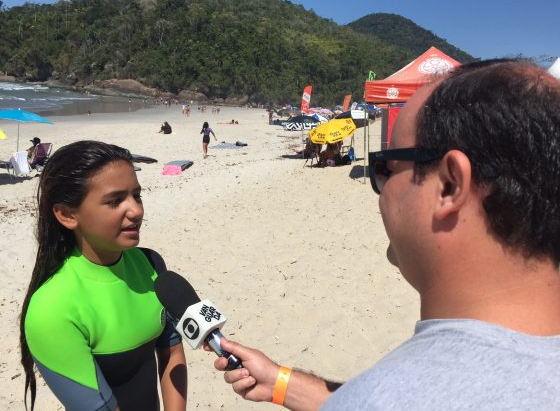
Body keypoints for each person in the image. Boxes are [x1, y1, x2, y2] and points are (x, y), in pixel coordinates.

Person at [211, 60, 560, 409]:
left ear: (450, 185)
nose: (381, 188)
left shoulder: (388, 396)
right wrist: (282, 383)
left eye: (387, 167)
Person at [20, 141, 187, 411]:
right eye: (115, 200)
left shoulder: (151, 264)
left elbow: (171, 351)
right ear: (67, 214)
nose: (136, 211)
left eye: (137, 195)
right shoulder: (52, 309)